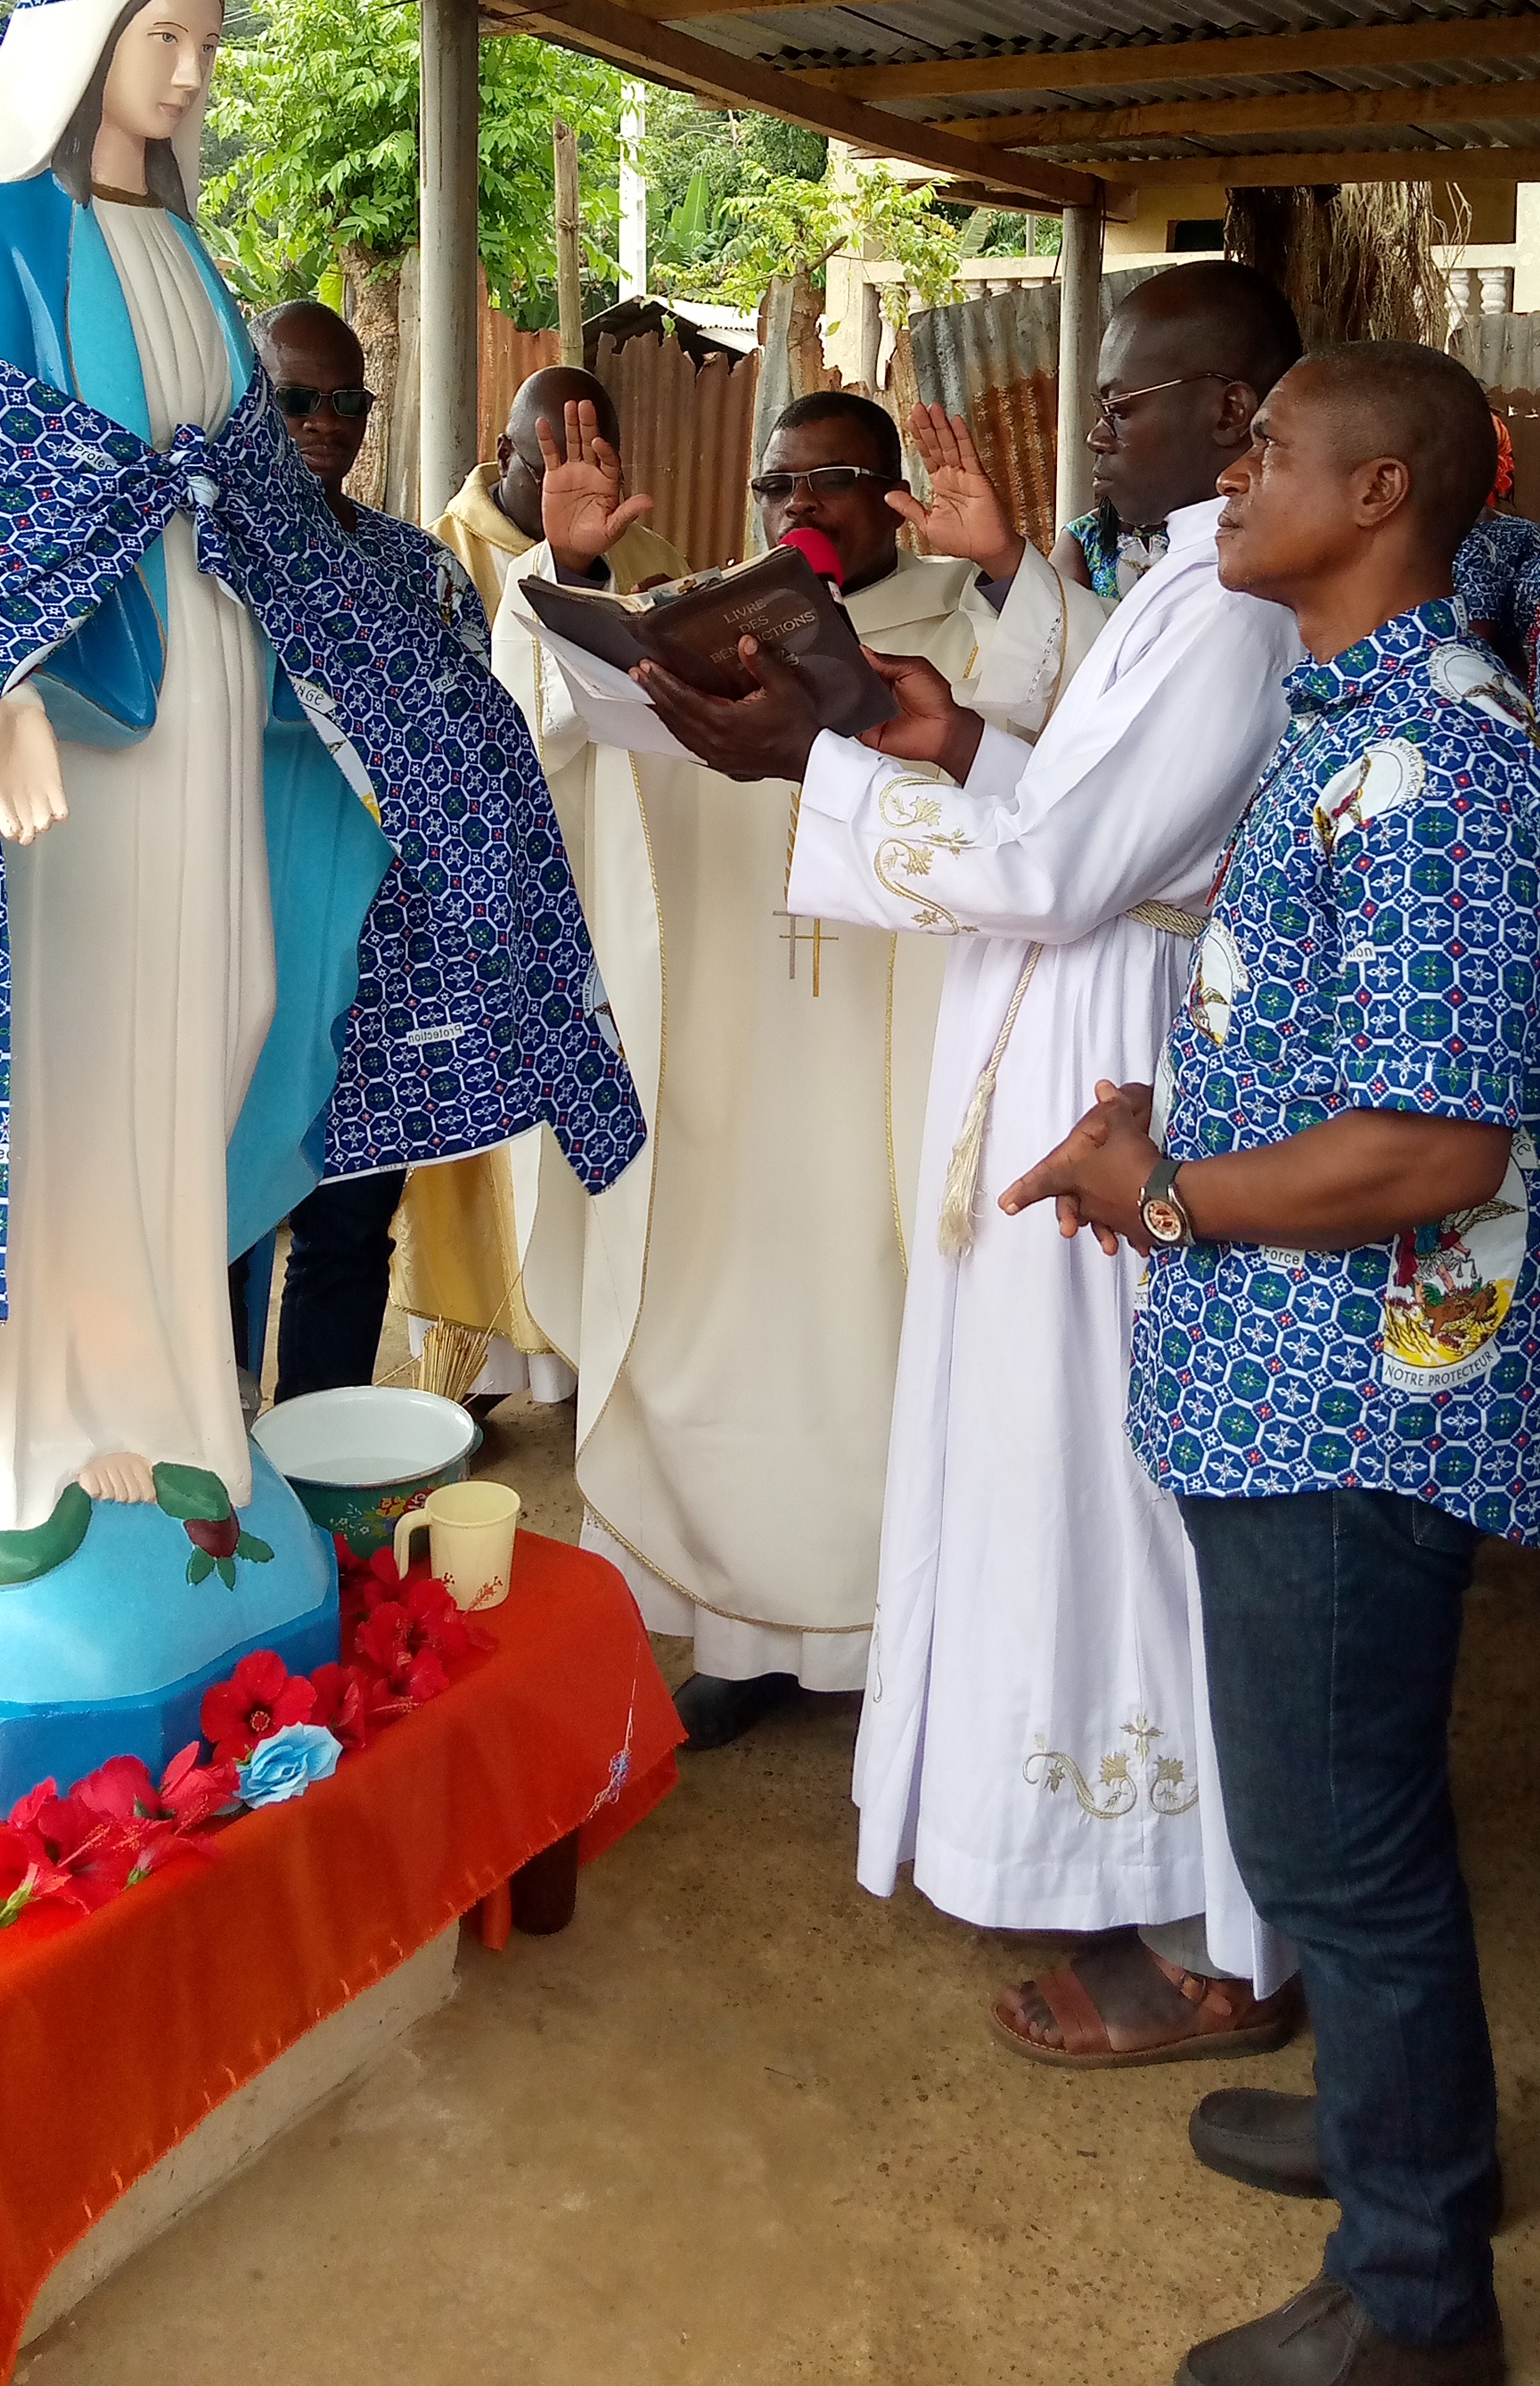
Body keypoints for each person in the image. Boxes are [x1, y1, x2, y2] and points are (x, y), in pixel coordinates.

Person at [642, 267, 1307, 2041]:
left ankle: (1208, 1924)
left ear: (1237, 413)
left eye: (1132, 397)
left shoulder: (1237, 616)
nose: (1097, 419)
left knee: (1116, 1479)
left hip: (1112, 1062)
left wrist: (828, 760)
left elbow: (1069, 872)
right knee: (1035, 1453)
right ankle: (1088, 1849)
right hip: (1047, 1032)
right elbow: (1063, 801)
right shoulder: (1176, 586)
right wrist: (920, 726)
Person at [1009, 341, 1532, 2386]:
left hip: (1348, 1410)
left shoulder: (1440, 761)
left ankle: (1413, 2304)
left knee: (1346, 1851)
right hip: (1285, 1373)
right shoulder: (1354, 720)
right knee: (1339, 1824)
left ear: (1381, 488)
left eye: (1267, 451)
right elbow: (1353, 1057)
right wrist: (1201, 1097)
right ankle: (1394, 2141)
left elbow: (1430, 1144)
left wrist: (1164, 1191)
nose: (1228, 477)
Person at [0, 0, 642, 1552]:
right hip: (90, 718)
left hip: (217, 693)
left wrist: (407, 712)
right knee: (92, 1048)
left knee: (231, 1008)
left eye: (210, 44)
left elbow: (262, 511)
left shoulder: (188, 255)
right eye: (167, 42)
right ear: (82, 54)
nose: (195, 72)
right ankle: (65, 1414)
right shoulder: (12, 236)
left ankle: (180, 1399)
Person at [494, 384, 1051, 1747]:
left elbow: (1059, 757)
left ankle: (897, 1637)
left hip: (893, 1076)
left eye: (836, 479)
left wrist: (1009, 569)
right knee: (714, 1330)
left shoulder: (966, 639)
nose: (800, 506)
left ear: (895, 492)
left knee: (883, 1340)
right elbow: (538, 741)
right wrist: (566, 579)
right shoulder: (689, 623)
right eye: (778, 486)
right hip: (720, 1074)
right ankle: (743, 1637)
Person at [395, 365, 684, 1410]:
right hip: (480, 902)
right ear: (506, 452)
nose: (581, 472)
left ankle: (592, 1351)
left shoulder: (649, 557)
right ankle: (472, 1374)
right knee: (477, 1150)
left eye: (602, 455)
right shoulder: (436, 557)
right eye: (555, 454)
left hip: (612, 896)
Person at [251, 299, 483, 1401]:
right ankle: (211, 1501)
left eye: (349, 402)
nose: (327, 425)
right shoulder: (202, 569)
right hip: (234, 952)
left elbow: (479, 750)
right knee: (222, 1230)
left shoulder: (420, 571)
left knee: (349, 1236)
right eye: (297, 400)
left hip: (377, 972)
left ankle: (319, 1506)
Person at [431, 362, 679, 626]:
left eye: (600, 476)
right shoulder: (431, 562)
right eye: (549, 475)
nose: (579, 502)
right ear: (505, 457)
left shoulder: (656, 558)